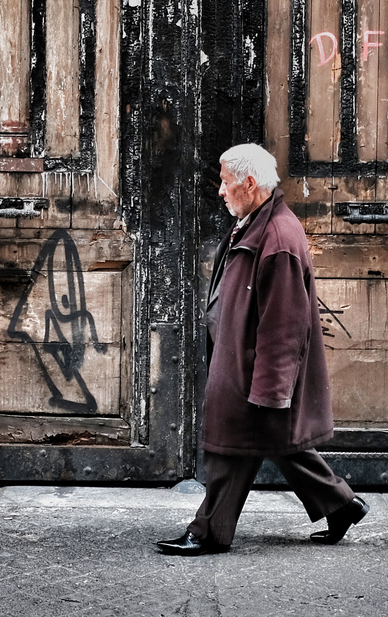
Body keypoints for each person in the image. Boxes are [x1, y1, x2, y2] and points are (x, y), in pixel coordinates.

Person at [156, 143, 368, 556]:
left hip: (254, 370)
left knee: (229, 450)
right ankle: (340, 505)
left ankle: (208, 532)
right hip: (241, 361)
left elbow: (285, 328)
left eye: (225, 181)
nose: (220, 190)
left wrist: (271, 391)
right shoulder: (255, 222)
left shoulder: (278, 238)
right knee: (278, 444)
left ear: (249, 184)